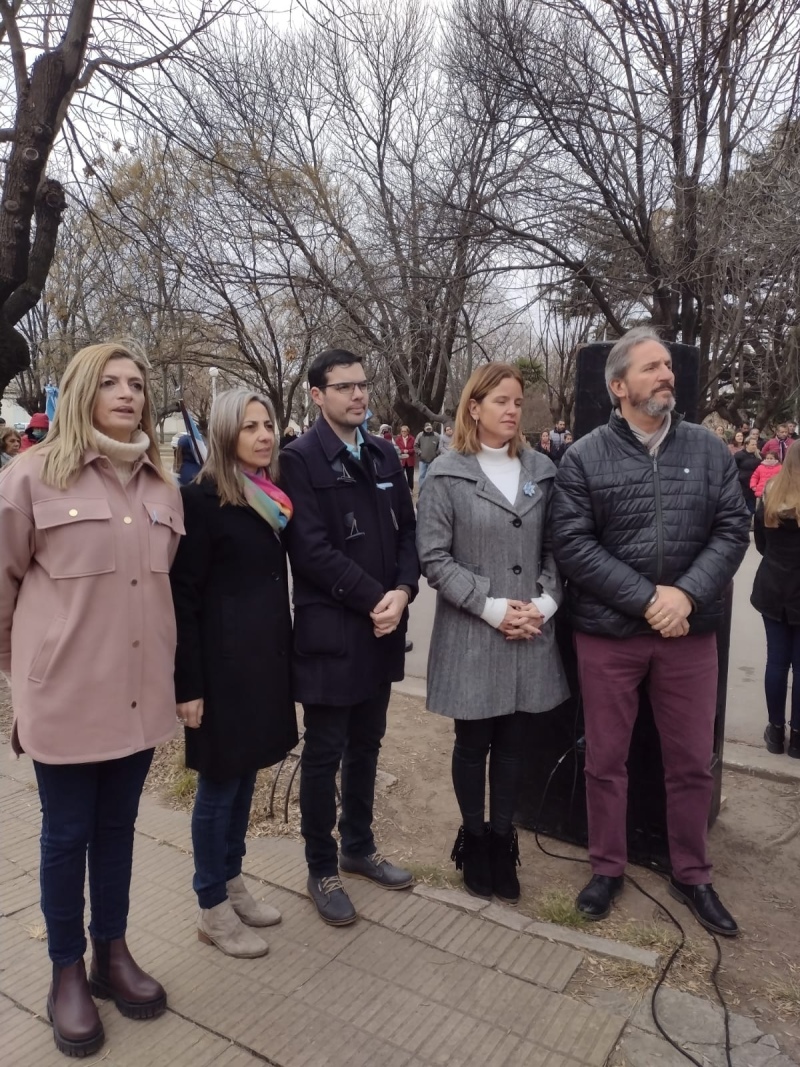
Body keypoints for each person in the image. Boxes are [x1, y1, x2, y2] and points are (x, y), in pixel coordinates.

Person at [0, 342, 183, 1057]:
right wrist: (28, 677)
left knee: (116, 831)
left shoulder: (162, 487)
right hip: (66, 704)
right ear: (80, 391)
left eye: (137, 382)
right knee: (65, 834)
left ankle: (113, 951)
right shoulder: (30, 477)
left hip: (139, 701)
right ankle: (65, 972)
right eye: (109, 381)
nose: (127, 392)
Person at [552, 326, 749, 937]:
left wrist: (685, 595)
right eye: (651, 368)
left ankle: (692, 872)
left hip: (689, 635)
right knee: (606, 760)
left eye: (667, 365)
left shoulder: (710, 450)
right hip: (610, 636)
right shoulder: (584, 456)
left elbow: (732, 530)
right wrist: (647, 600)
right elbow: (573, 545)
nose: (666, 375)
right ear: (619, 387)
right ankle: (607, 866)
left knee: (691, 762)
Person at [416, 364, 568, 904]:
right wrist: (492, 607)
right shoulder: (446, 473)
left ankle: (504, 842)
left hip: (529, 630)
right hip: (475, 632)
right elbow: (433, 557)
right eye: (500, 400)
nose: (511, 410)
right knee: (473, 742)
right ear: (473, 407)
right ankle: (474, 840)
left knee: (513, 746)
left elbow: (558, 547)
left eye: (517, 401)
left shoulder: (543, 470)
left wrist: (545, 604)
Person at [279, 348, 420, 926]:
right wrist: (373, 600)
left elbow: (408, 531)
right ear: (317, 395)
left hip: (384, 627)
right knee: (325, 751)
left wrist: (404, 592)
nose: (358, 396)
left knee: (368, 744)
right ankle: (321, 866)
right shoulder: (300, 459)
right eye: (344, 388)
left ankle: (357, 848)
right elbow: (309, 549)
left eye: (362, 385)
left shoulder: (385, 452)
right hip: (333, 633)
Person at [170, 389, 298, 958]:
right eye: (250, 427)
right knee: (218, 790)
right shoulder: (200, 500)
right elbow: (184, 598)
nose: (264, 435)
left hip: (261, 665)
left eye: (267, 424)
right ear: (225, 435)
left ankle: (234, 881)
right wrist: (189, 685)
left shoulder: (267, 497)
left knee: (245, 780)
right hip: (220, 673)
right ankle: (211, 906)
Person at [751, 445, 800, 759]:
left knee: (776, 662)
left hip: (773, 584)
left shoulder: (770, 493)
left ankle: (775, 730)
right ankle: (797, 737)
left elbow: (760, 542)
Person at [734, 437, 761, 514]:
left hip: (754, 486)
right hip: (742, 484)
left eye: (755, 445)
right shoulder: (739, 455)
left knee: (751, 508)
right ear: (746, 445)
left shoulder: (759, 456)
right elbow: (734, 468)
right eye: (752, 444)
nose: (755, 446)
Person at [415, 422, 441, 488]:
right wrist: (419, 453)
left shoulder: (437, 435)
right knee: (422, 475)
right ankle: (422, 489)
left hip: (433, 460)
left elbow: (440, 446)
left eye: (430, 428)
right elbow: (415, 446)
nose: (429, 430)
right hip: (422, 460)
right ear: (424, 428)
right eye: (427, 428)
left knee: (432, 475)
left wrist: (436, 453)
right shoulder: (420, 435)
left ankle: (431, 489)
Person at [395, 424, 416, 490]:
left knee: (410, 476)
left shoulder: (412, 439)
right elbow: (396, 449)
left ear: (408, 432)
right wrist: (403, 450)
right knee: (400, 476)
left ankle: (410, 489)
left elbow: (414, 448)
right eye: (402, 431)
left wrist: (408, 451)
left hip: (410, 460)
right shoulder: (398, 439)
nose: (403, 433)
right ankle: (401, 489)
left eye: (405, 431)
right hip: (402, 460)